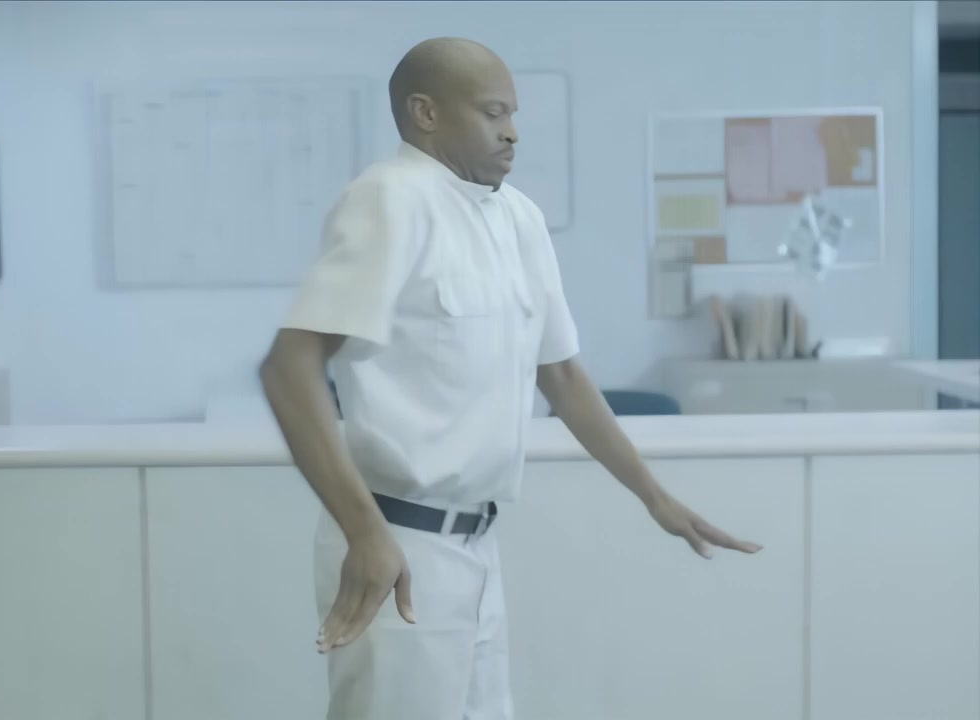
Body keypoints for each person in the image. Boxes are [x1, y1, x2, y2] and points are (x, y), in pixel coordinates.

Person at [258, 37, 762, 720]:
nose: (513, 132)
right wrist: (365, 533)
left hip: (476, 545)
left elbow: (563, 378)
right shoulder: (389, 199)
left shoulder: (518, 217)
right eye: (493, 113)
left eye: (514, 114)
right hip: (397, 544)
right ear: (426, 114)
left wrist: (655, 498)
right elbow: (289, 367)